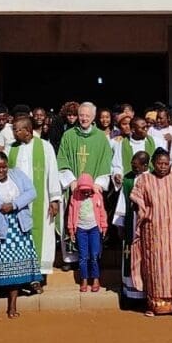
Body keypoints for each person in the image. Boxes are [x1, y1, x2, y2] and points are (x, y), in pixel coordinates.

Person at [130, 148, 172, 316]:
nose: (163, 167)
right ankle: (154, 305)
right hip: (153, 232)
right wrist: (142, 209)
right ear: (153, 164)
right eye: (159, 163)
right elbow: (136, 199)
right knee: (155, 266)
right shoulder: (145, 180)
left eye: (166, 164)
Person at [57, 102, 113, 269]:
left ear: (93, 117)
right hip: (74, 189)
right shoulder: (68, 135)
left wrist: (98, 184)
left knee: (93, 222)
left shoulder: (101, 137)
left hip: (94, 190)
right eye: (81, 115)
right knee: (72, 219)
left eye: (87, 115)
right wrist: (71, 181)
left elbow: (105, 161)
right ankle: (72, 259)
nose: (84, 118)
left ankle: (94, 258)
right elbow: (62, 159)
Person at [0, 152, 42, 319]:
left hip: (19, 226)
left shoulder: (17, 174)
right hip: (1, 227)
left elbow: (32, 192)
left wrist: (14, 205)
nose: (1, 171)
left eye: (4, 167)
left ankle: (12, 307)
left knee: (17, 268)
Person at [7, 117, 61, 279]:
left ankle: (39, 274)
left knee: (41, 233)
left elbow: (53, 172)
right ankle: (22, 273)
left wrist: (54, 199)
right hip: (18, 202)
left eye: (17, 130)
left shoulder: (45, 147)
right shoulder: (11, 149)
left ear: (28, 131)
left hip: (41, 200)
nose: (14, 133)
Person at [114, 151, 150, 303]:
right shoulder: (128, 179)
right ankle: (130, 294)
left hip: (146, 224)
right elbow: (122, 202)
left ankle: (147, 293)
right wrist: (120, 225)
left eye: (136, 167)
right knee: (130, 257)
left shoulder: (152, 178)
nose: (133, 169)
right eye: (132, 166)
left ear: (145, 166)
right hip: (131, 222)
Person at [68, 174, 108, 293]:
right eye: (83, 191)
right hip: (81, 230)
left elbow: (102, 212)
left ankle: (95, 279)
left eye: (87, 191)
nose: (85, 193)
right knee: (83, 256)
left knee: (94, 255)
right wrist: (71, 229)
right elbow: (71, 214)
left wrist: (104, 225)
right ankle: (84, 279)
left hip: (94, 229)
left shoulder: (97, 196)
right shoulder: (74, 196)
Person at [112, 116, 158, 188]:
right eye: (143, 128)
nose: (146, 129)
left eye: (146, 127)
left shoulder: (155, 141)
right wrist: (117, 174)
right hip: (130, 183)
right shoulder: (122, 144)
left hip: (151, 184)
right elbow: (117, 164)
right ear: (133, 129)